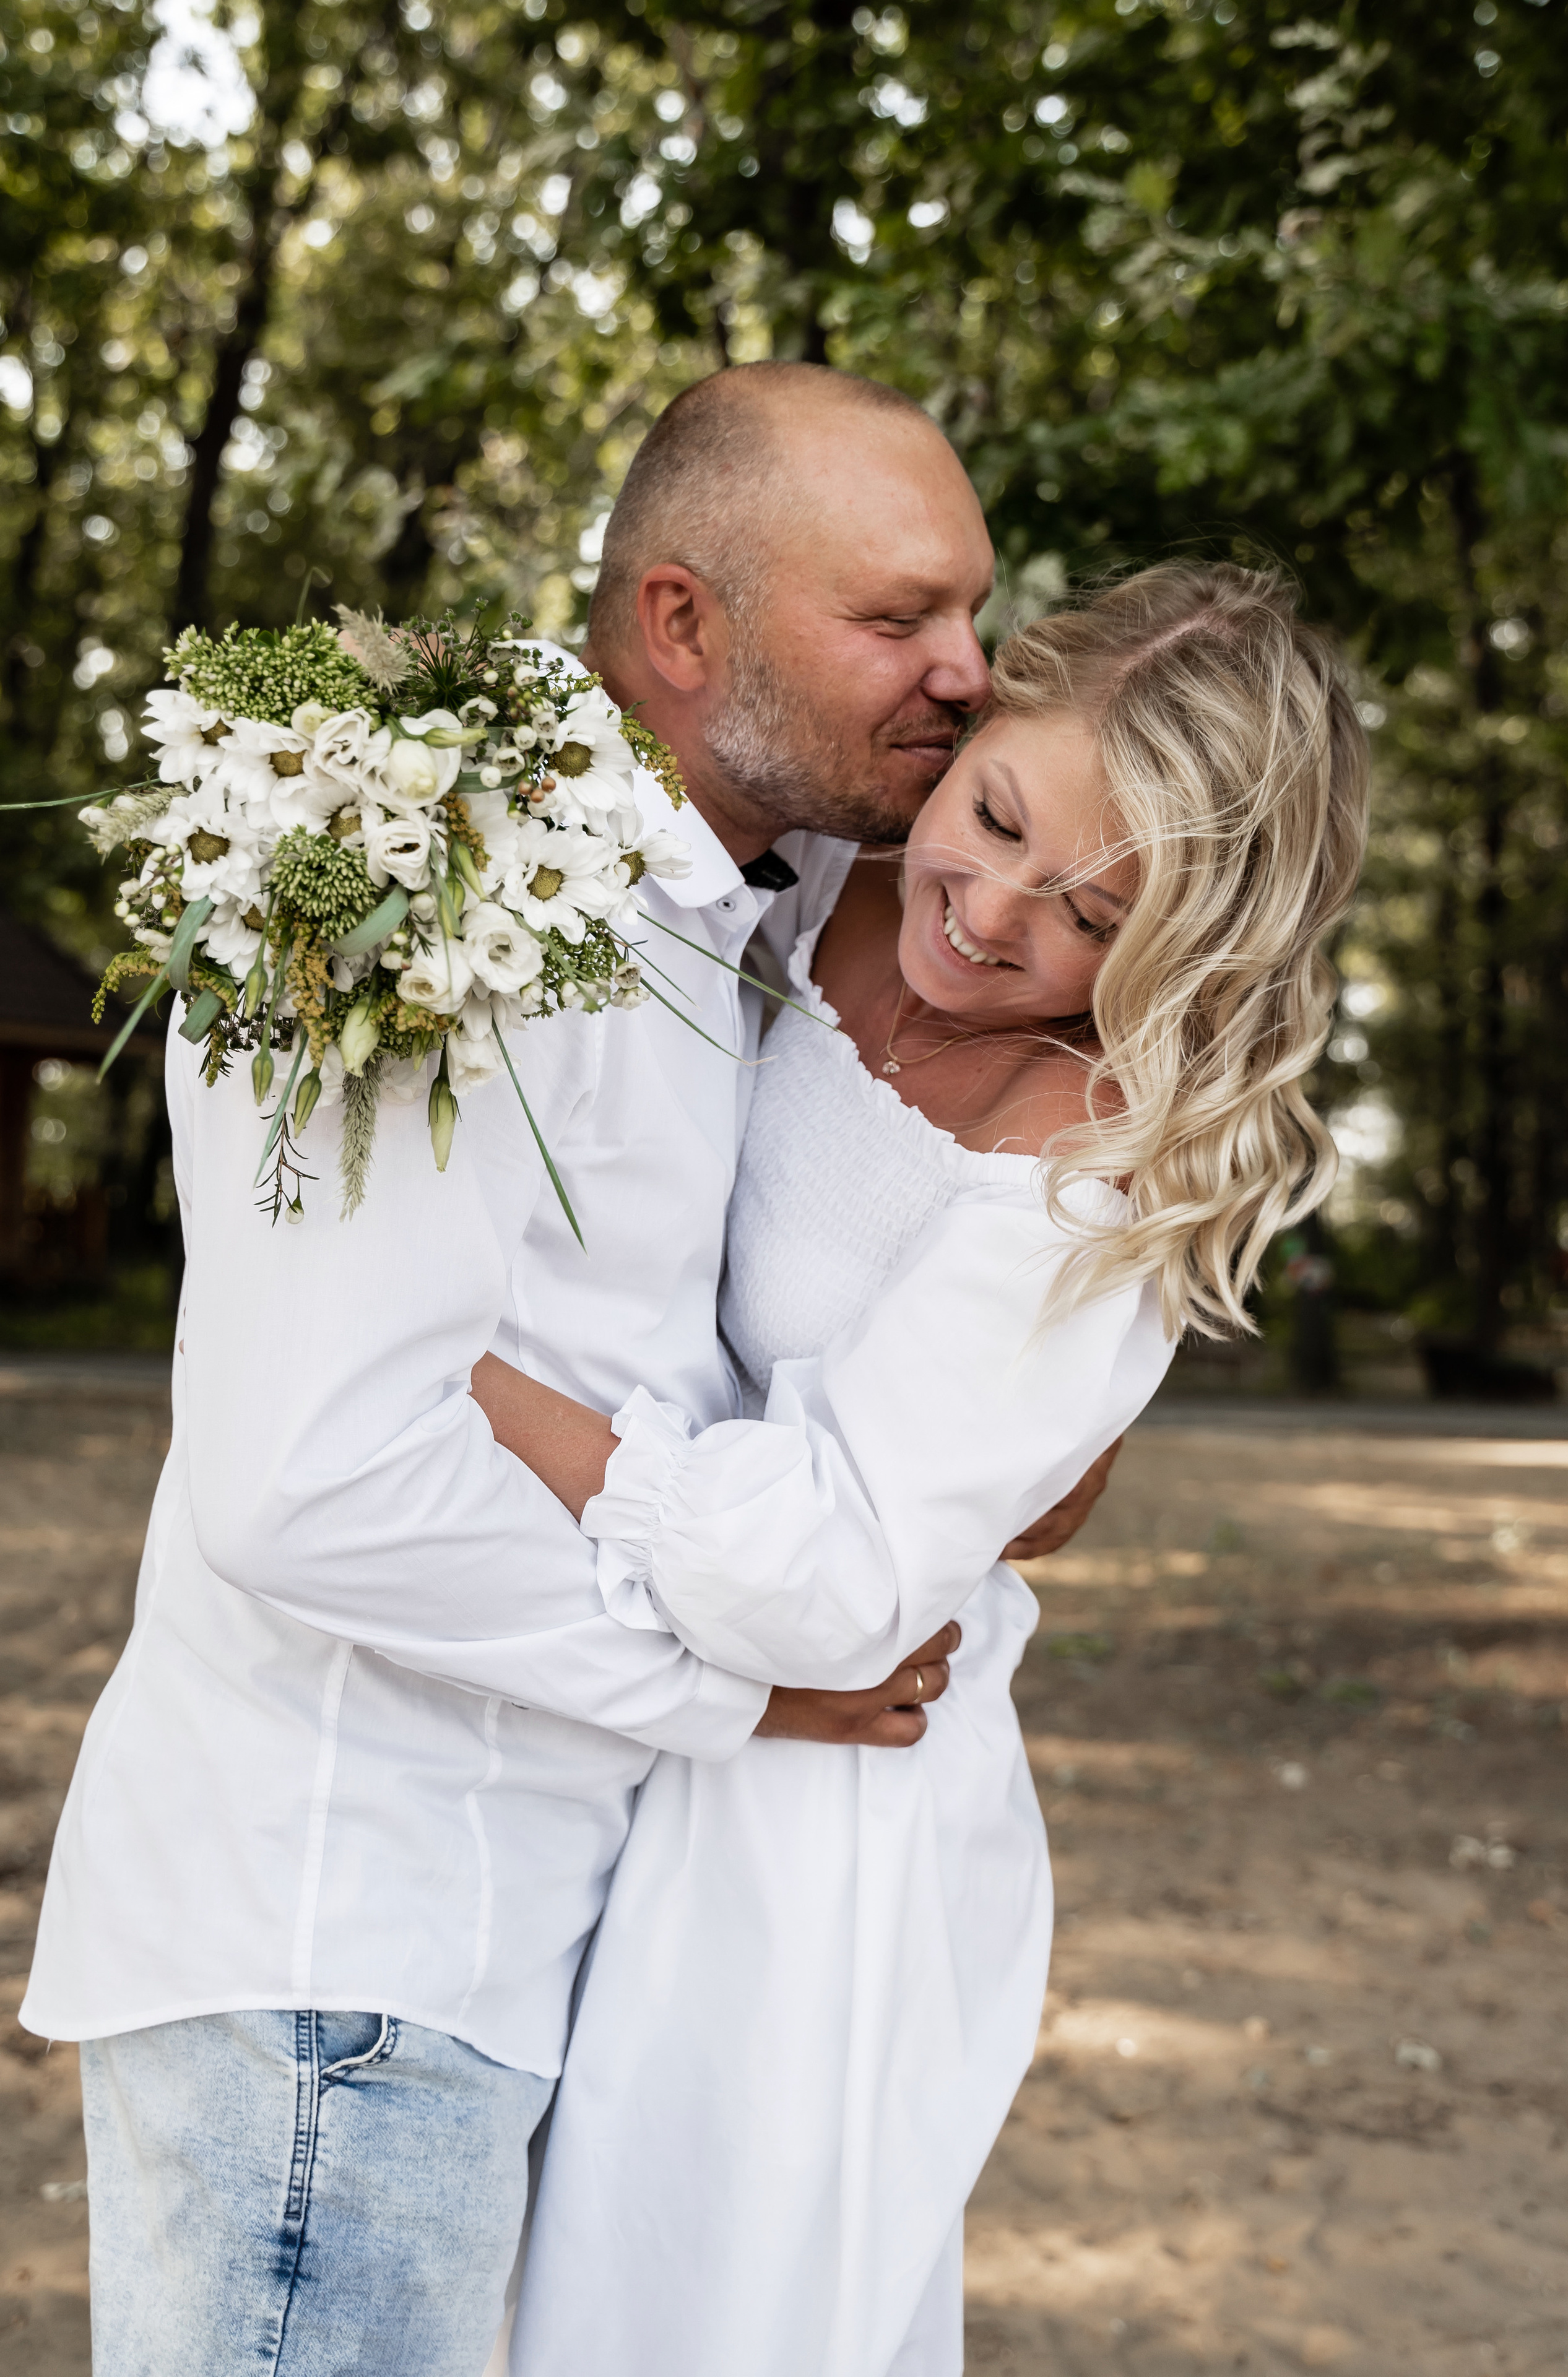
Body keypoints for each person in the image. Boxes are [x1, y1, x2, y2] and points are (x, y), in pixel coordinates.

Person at [20, 362, 1114, 2375]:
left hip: (509, 1942)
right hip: (341, 1948)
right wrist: (740, 1684)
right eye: (897, 622)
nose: (968, 674)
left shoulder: (745, 899)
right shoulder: (409, 882)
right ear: (681, 624)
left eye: (972, 609)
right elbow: (312, 1482)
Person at [471, 559, 1371, 2376]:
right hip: (604, 1703)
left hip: (823, 1821)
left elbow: (837, 1580)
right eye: (996, 814)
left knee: (687, 2319)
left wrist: (487, 1388)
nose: (989, 913)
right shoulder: (810, 879)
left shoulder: (1092, 1153)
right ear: (970, 731)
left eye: (1099, 915)